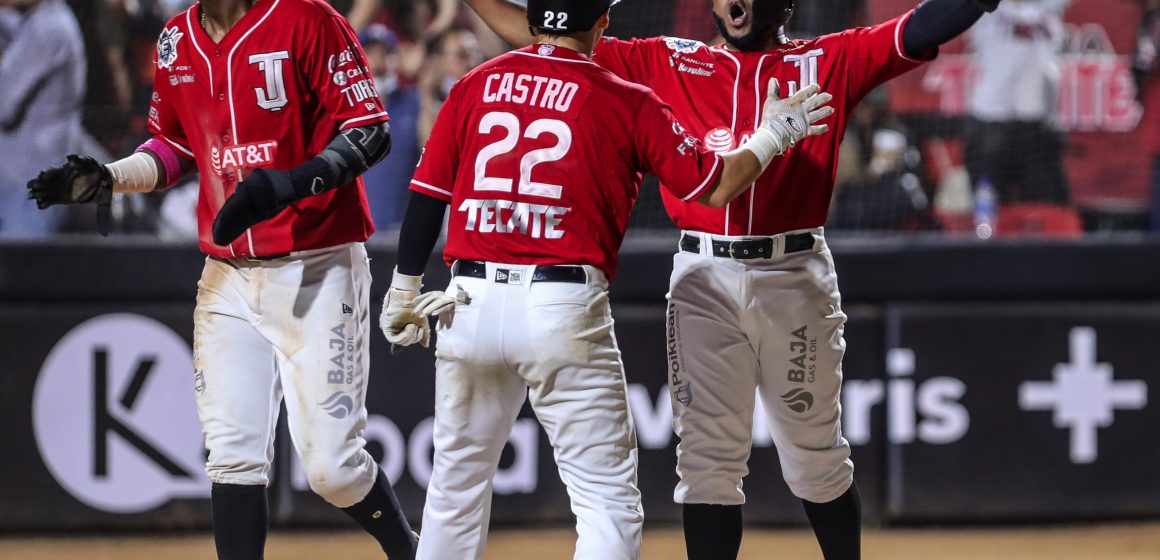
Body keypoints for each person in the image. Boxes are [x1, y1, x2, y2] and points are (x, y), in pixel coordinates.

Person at [465, 0, 1001, 557]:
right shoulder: (666, 61)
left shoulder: (827, 59)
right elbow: (545, 29)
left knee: (816, 459)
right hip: (703, 277)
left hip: (794, 275)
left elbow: (918, 29)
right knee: (707, 466)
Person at [380, 0, 834, 557]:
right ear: (602, 22)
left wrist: (403, 286)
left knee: (453, 491)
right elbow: (715, 187)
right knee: (605, 502)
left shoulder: (478, 81)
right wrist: (770, 135)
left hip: (466, 300)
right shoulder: (625, 98)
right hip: (559, 303)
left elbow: (428, 195)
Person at [25, 0, 418, 558]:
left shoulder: (307, 18)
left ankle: (410, 551)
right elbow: (176, 146)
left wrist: (288, 185)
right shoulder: (176, 39)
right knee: (233, 456)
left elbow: (369, 130)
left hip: (319, 264)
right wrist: (110, 178)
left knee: (333, 468)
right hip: (228, 275)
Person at [965, 0, 1071, 205]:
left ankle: (1037, 238)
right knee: (987, 205)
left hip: (1034, 127)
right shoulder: (984, 7)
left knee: (1048, 204)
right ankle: (983, 237)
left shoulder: (1048, 8)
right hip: (989, 122)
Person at [0, 0, 84, 237]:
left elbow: (4, 105)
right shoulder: (35, 20)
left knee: (19, 270)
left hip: (31, 188)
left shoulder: (50, 27)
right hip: (19, 185)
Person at [360, 23, 422, 233]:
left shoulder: (415, 102)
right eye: (369, 53)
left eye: (384, 53)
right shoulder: (342, 107)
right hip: (356, 232)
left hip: (400, 229)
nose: (377, 62)